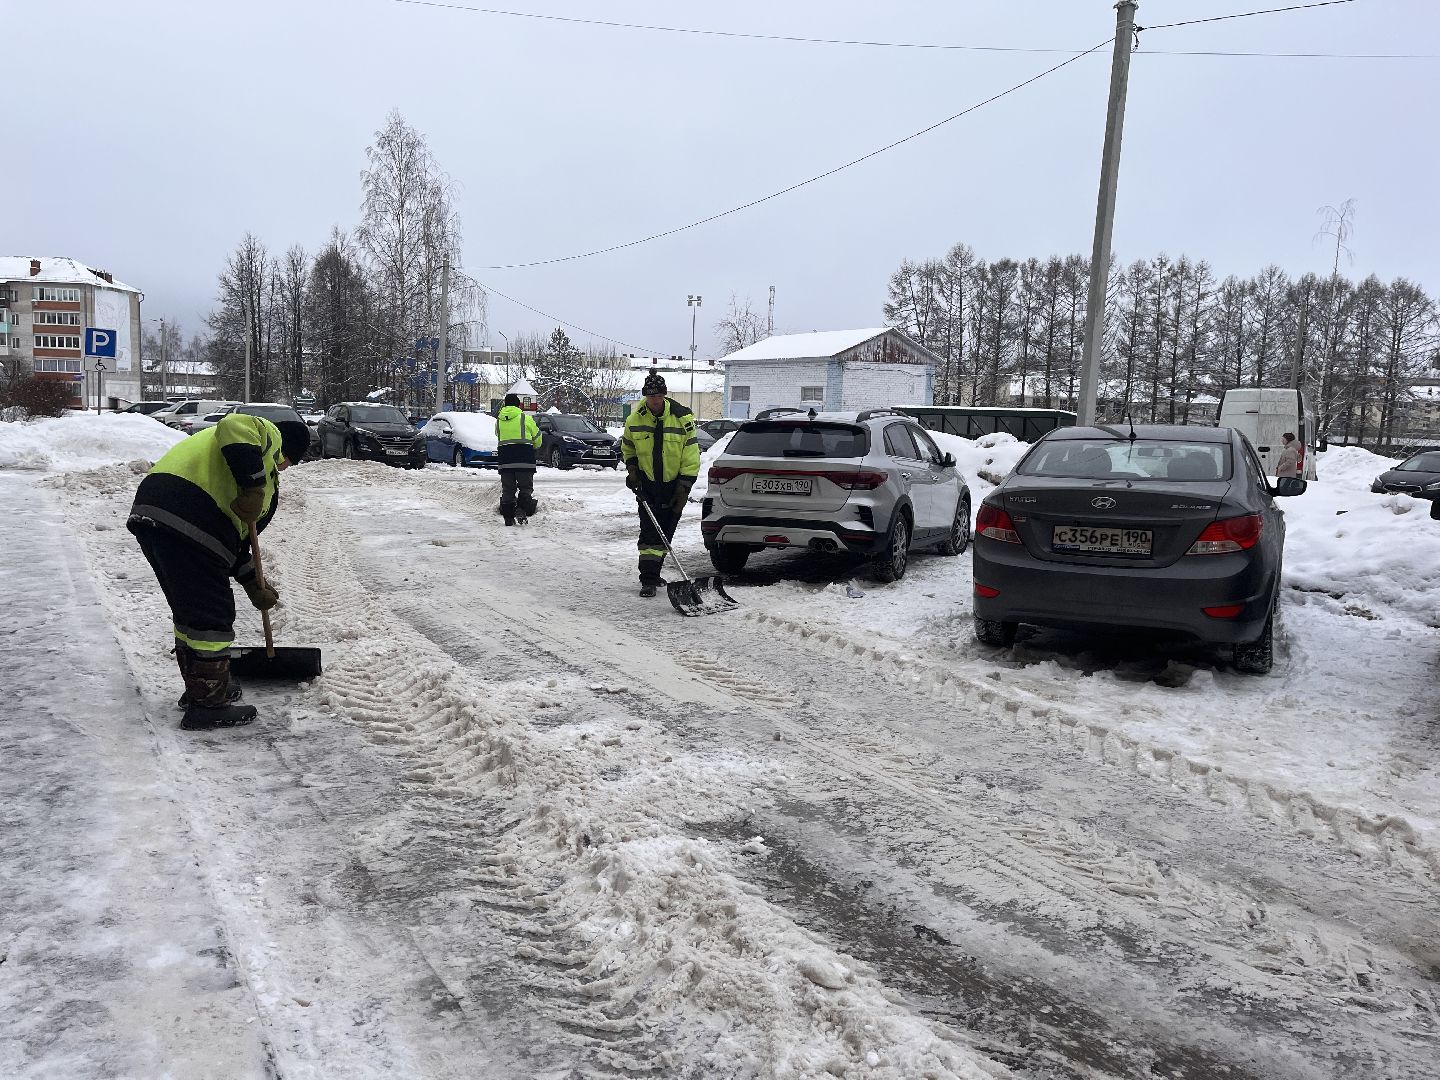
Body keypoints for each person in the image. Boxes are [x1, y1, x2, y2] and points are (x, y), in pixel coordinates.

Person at [127, 412, 311, 731]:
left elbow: (235, 544)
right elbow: (232, 424)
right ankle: (207, 704)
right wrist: (253, 486)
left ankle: (201, 688)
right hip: (189, 513)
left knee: (192, 611)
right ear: (289, 454)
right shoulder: (264, 436)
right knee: (212, 614)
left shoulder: (238, 469)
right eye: (289, 463)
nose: (284, 469)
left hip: (157, 514)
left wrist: (254, 584)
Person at [621, 370, 701, 597]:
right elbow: (628, 447)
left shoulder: (682, 418)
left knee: (666, 530)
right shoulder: (634, 419)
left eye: (658, 396)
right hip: (647, 484)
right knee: (649, 531)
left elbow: (691, 454)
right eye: (650, 396)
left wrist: (684, 486)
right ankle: (647, 578)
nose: (654, 400)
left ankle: (654, 573)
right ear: (645, 396)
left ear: (664, 395)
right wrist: (633, 470)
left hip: (674, 485)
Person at [495, 393, 542, 525]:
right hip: (524, 459)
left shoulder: (498, 421)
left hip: (505, 460)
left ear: (505, 404)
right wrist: (534, 447)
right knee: (525, 487)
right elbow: (538, 437)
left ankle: (508, 518)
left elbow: (499, 436)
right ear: (519, 405)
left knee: (508, 489)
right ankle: (521, 510)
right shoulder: (525, 418)